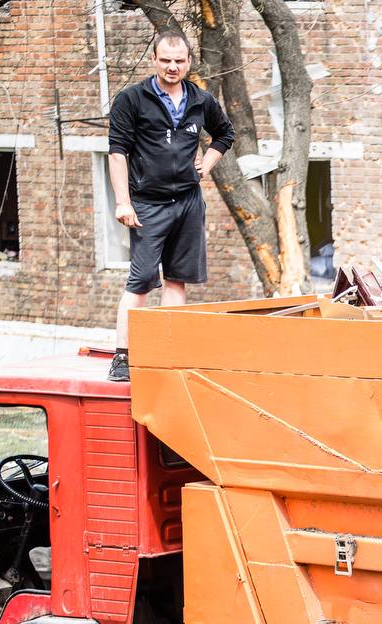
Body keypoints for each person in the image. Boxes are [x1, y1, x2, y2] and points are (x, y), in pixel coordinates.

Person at [106, 31, 235, 381]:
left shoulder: (200, 99)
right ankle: (123, 357)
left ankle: (166, 353)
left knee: (177, 281)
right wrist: (123, 203)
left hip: (189, 204)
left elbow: (225, 134)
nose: (172, 67)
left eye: (179, 61)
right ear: (154, 60)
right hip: (147, 205)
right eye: (165, 60)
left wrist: (206, 164)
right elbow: (117, 153)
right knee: (141, 282)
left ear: (189, 62)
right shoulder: (132, 99)